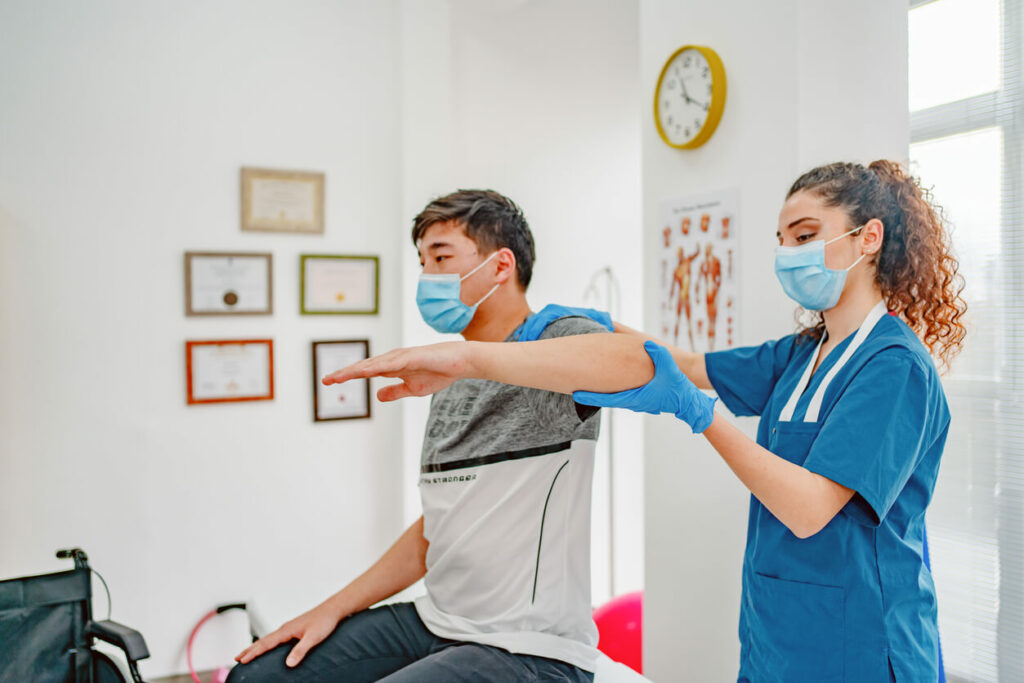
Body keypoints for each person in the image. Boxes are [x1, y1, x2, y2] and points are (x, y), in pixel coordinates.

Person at [325, 161, 967, 682]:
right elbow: (679, 363)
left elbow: (807, 508)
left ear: (869, 238)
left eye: (804, 236)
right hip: (780, 629)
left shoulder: (894, 368)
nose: (787, 255)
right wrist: (593, 333)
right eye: (781, 241)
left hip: (866, 638)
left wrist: (701, 417)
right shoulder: (803, 353)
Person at [229, 190, 612, 682]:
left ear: (500, 266)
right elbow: (435, 530)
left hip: (530, 646)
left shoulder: (558, 341)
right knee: (258, 676)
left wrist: (472, 359)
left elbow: (632, 361)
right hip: (439, 620)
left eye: (442, 257)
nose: (428, 276)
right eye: (423, 262)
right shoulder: (448, 382)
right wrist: (330, 609)